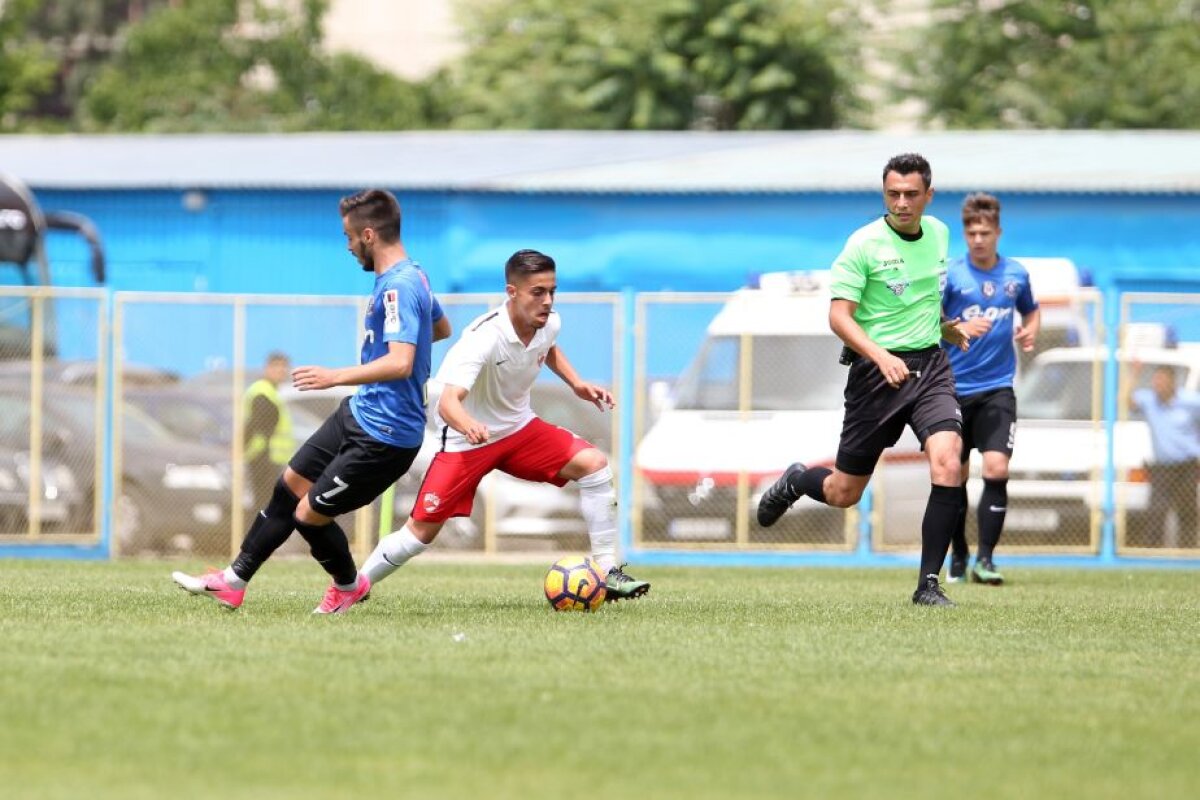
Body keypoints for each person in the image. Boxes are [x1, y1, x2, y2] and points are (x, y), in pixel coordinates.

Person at [173, 188, 452, 613]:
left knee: (308, 515)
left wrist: (336, 376)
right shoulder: (414, 277)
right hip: (360, 413)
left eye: (349, 236)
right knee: (288, 487)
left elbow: (400, 361)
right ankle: (233, 580)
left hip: (386, 436)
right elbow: (440, 327)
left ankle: (347, 586)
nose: (347, 245)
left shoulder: (398, 287)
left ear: (370, 235)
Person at [359, 248, 650, 601]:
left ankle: (607, 572)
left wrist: (576, 383)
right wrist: (469, 426)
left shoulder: (549, 321)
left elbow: (549, 346)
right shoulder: (483, 337)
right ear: (512, 292)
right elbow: (449, 403)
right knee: (420, 533)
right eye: (538, 292)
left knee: (595, 466)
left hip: (519, 430)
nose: (547, 301)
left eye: (552, 291)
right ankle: (353, 587)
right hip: (468, 442)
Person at [756, 152, 972, 606]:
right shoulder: (863, 245)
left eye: (912, 194)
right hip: (876, 376)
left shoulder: (938, 234)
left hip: (931, 366)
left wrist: (945, 327)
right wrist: (879, 354)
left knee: (948, 461)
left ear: (929, 196)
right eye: (893, 193)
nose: (901, 202)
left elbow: (921, 297)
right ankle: (798, 480)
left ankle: (928, 585)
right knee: (843, 492)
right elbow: (839, 316)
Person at [942, 192, 1040, 585]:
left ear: (998, 232)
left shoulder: (1016, 275)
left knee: (997, 468)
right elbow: (929, 323)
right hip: (951, 389)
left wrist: (1031, 327)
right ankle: (960, 555)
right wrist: (957, 329)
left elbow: (1031, 308)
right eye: (971, 232)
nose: (978, 239)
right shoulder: (952, 276)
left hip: (998, 388)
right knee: (952, 476)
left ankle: (986, 559)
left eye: (985, 232)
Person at [1130, 364, 1200, 548]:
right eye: (1155, 380)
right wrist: (1134, 374)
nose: (1157, 384)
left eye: (1161, 380)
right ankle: (1151, 555)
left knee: (1187, 512)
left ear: (1172, 382)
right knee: (1156, 513)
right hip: (1162, 468)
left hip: (1187, 467)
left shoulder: (1190, 401)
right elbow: (1126, 401)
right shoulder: (1149, 400)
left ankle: (1188, 554)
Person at [243, 350, 293, 511]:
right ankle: (258, 535)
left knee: (266, 503)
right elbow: (257, 425)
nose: (281, 371)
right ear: (267, 368)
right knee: (263, 504)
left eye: (284, 367)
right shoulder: (262, 392)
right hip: (264, 456)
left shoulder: (271, 391)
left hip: (270, 456)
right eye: (276, 366)